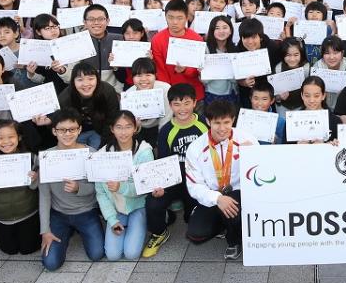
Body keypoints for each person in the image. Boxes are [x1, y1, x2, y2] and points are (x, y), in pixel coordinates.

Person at [145, 84, 208, 258]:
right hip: (174, 179)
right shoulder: (166, 130)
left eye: (187, 103)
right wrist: (160, 186)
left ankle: (199, 217)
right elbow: (163, 161)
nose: (182, 109)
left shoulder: (204, 124)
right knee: (153, 203)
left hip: (197, 180)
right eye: (177, 104)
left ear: (195, 103)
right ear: (170, 105)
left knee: (193, 220)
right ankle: (159, 232)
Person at [184, 99, 251, 260]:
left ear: (233, 120)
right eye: (217, 123)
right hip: (213, 195)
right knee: (196, 234)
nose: (222, 128)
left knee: (232, 210)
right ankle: (223, 224)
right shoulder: (195, 148)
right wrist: (217, 198)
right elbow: (194, 186)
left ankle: (234, 241)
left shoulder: (247, 140)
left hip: (239, 193)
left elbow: (258, 173)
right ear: (208, 121)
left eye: (226, 122)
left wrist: (253, 154)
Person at [39, 108, 105, 270]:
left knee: (97, 254)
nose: (67, 134)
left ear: (80, 130)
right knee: (50, 263)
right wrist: (45, 231)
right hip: (59, 214)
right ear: (54, 131)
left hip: (86, 211)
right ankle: (66, 233)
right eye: (62, 130)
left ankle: (79, 231)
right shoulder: (47, 157)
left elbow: (98, 187)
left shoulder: (90, 153)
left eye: (72, 129)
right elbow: (44, 196)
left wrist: (78, 188)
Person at [0, 120, 41, 256]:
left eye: (11, 137)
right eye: (0, 138)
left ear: (19, 137)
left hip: (28, 214)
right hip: (2, 217)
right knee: (9, 250)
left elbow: (34, 188)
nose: (6, 142)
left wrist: (35, 178)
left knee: (28, 249)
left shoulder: (30, 158)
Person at [96, 111, 154, 261]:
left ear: (135, 128)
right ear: (112, 129)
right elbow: (101, 193)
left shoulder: (144, 152)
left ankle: (141, 223)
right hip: (116, 209)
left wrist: (121, 187)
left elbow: (144, 188)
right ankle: (126, 225)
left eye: (128, 127)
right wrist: (112, 220)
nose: (123, 132)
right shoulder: (102, 155)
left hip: (138, 206)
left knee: (131, 254)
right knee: (113, 255)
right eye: (119, 127)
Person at [150, 0, 206, 102]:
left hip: (194, 93)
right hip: (170, 93)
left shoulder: (196, 39)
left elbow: (198, 69)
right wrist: (168, 92)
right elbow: (160, 69)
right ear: (165, 17)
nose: (175, 22)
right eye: (170, 17)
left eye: (179, 18)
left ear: (186, 18)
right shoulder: (157, 39)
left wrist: (185, 70)